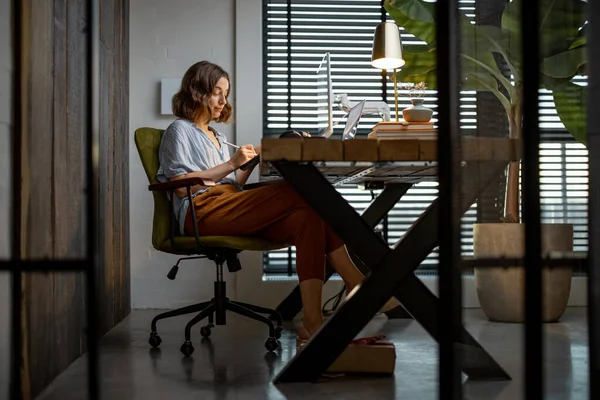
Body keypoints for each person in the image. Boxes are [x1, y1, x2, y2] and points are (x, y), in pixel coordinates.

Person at [157, 61, 398, 344]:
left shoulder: (217, 137)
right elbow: (184, 188)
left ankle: (312, 323)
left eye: (226, 93)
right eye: (216, 92)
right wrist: (231, 163)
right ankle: (357, 283)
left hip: (227, 203)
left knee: (309, 218)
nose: (224, 100)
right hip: (200, 212)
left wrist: (251, 159)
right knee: (303, 190)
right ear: (197, 91)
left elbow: (234, 184)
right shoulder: (179, 130)